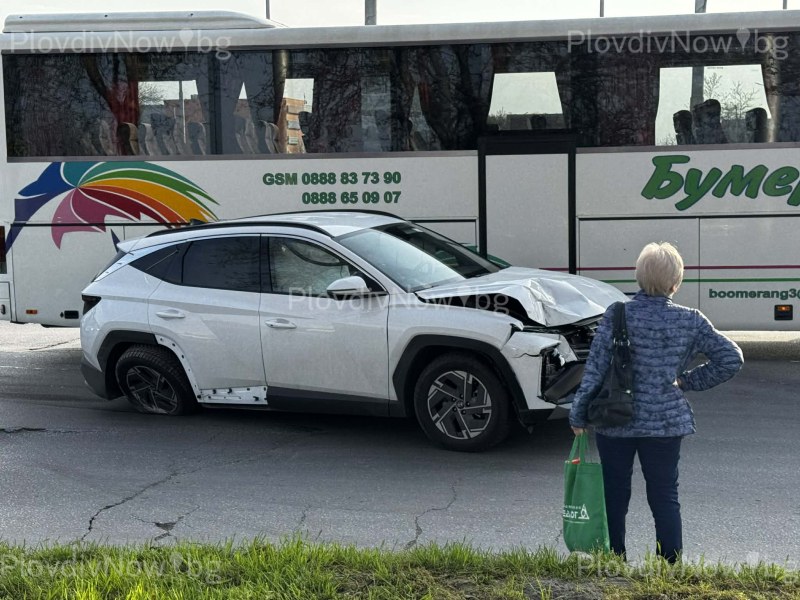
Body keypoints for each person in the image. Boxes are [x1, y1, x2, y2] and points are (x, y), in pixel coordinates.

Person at [568, 242, 743, 563]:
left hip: (615, 419)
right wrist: (688, 381)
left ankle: (614, 558)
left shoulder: (617, 314)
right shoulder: (690, 320)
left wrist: (578, 413)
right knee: (664, 496)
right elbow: (731, 358)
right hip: (665, 424)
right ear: (675, 282)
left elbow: (595, 368)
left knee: (615, 494)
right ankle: (669, 564)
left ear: (638, 277)